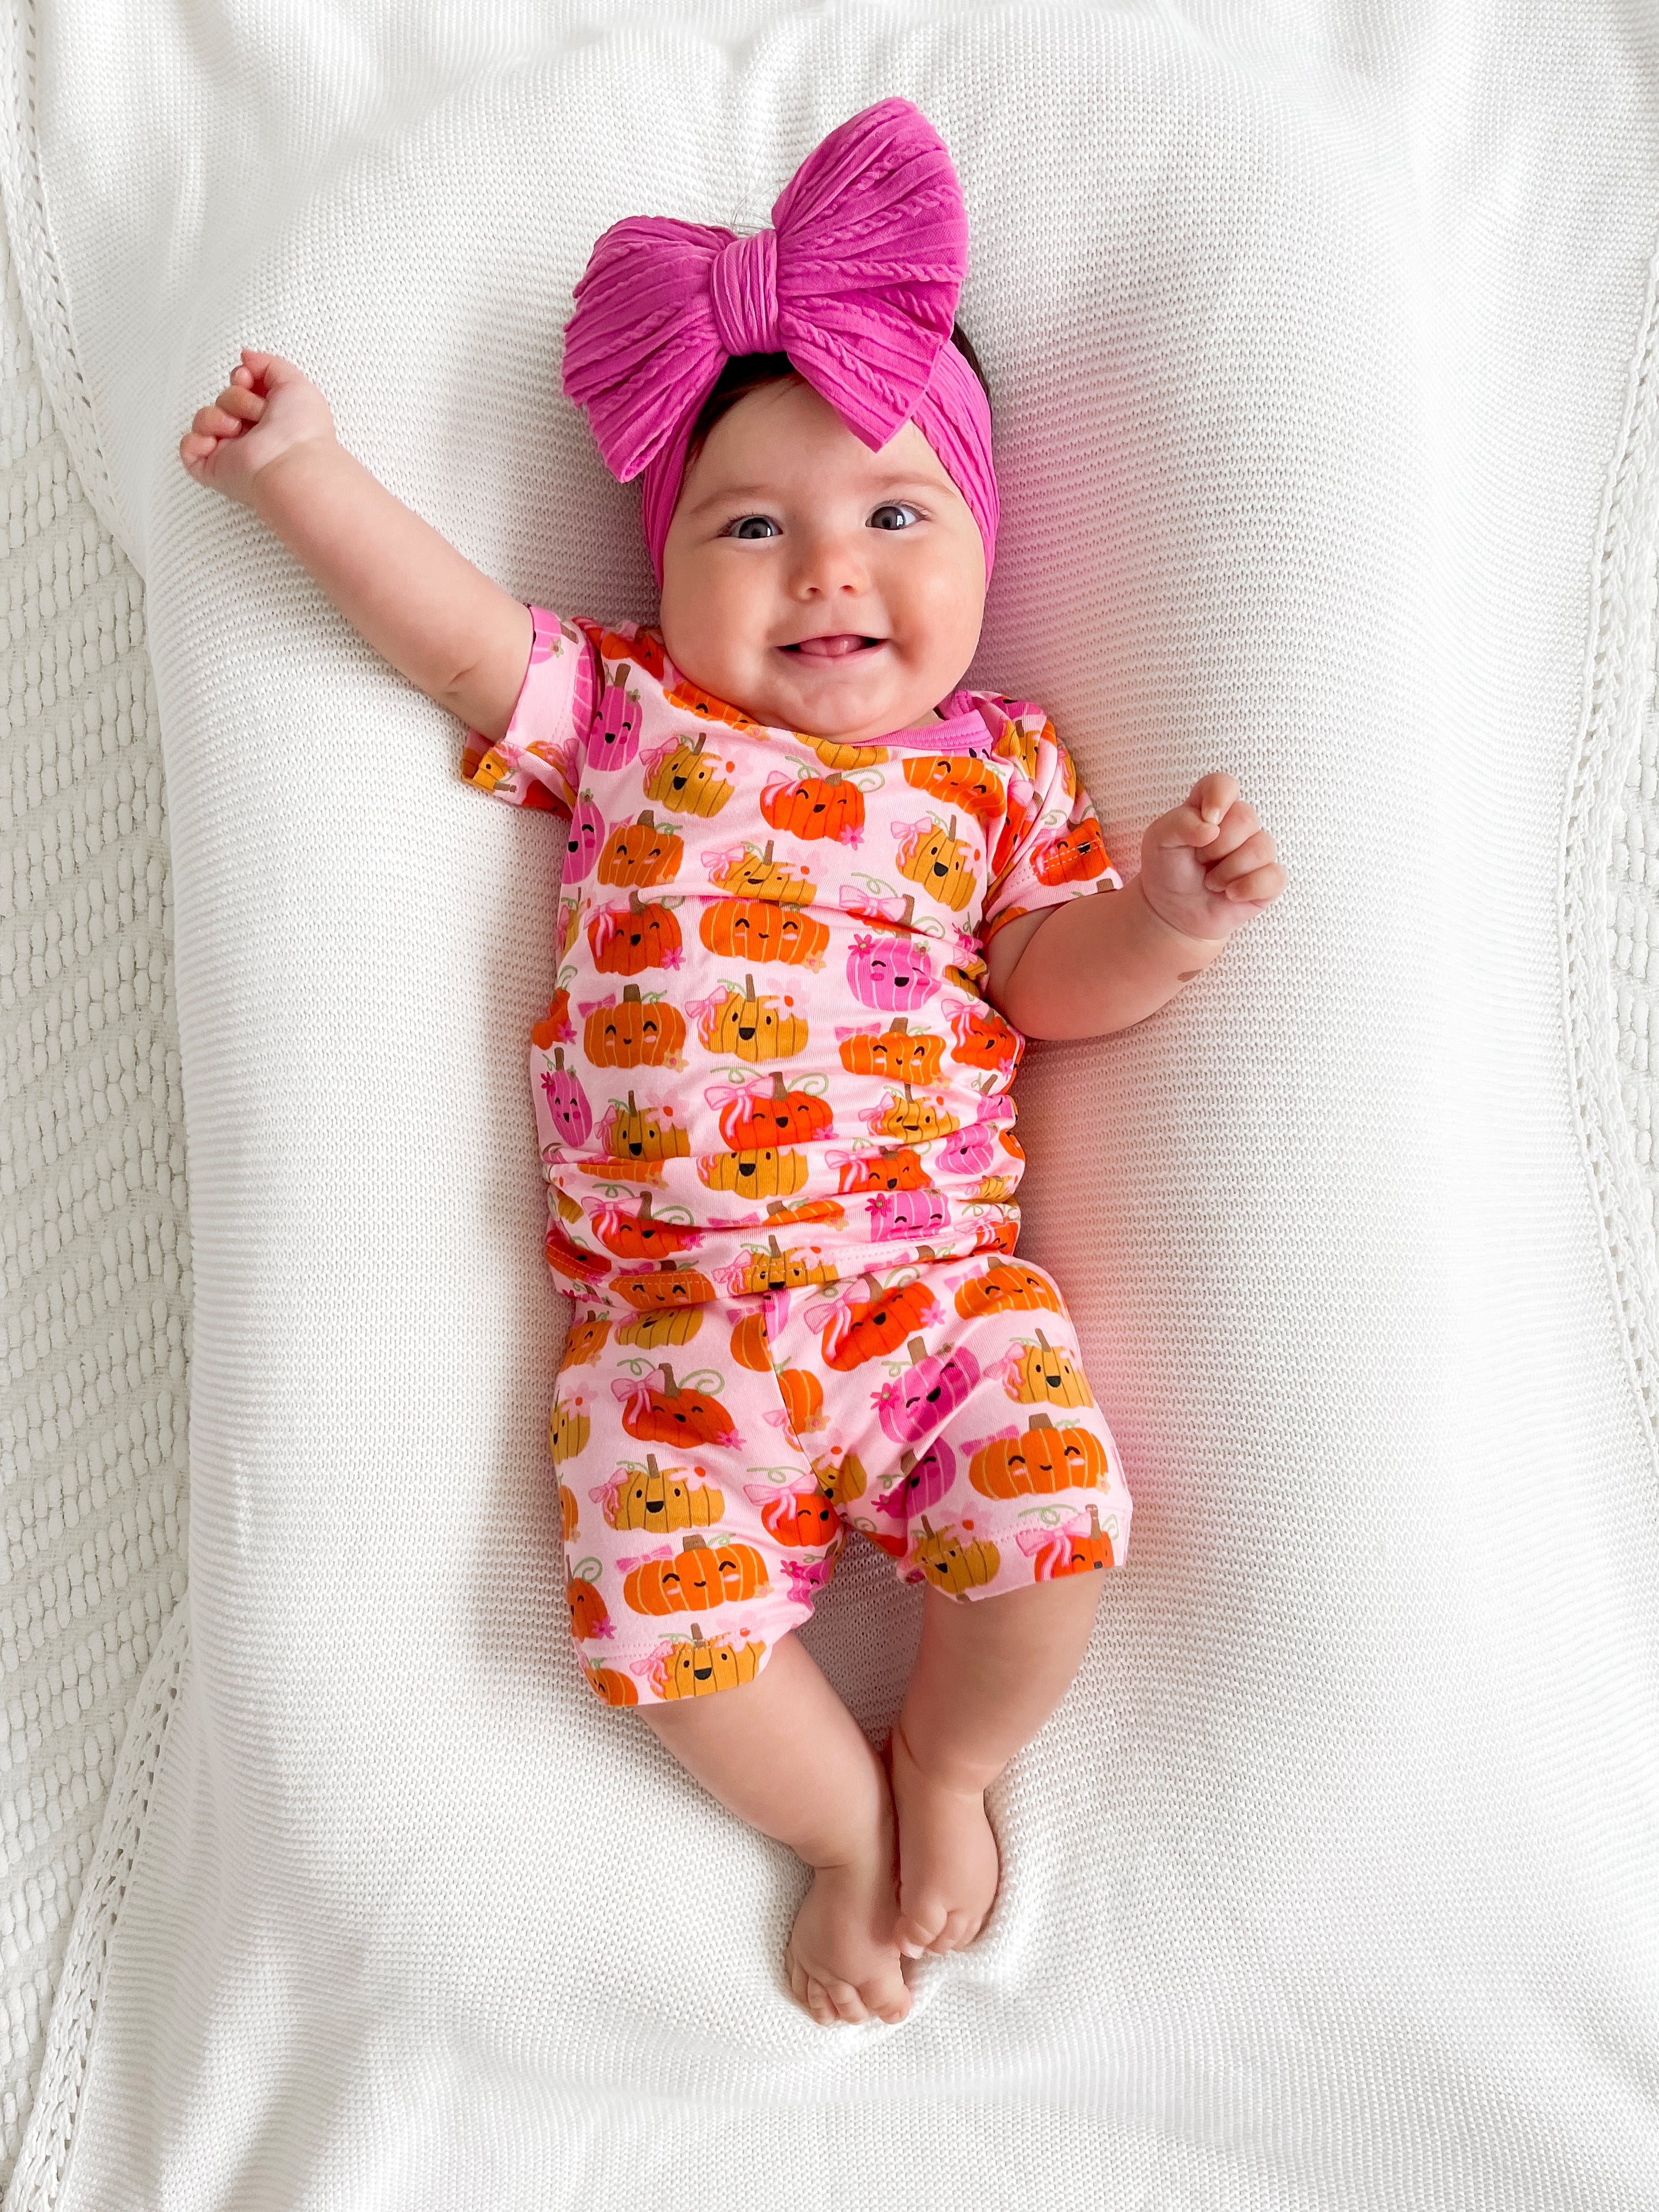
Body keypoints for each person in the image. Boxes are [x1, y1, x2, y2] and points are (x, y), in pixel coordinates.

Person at [179, 97, 1284, 2031]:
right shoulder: (626, 714)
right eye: (750, 526)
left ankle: (945, 1764)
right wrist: (307, 475)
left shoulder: (994, 770)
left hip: (929, 1300)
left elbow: (1047, 978)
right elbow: (449, 640)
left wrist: (1169, 917)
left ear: (980, 550)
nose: (823, 573)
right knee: (667, 1635)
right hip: (667, 1342)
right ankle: (849, 1835)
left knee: (1047, 1540)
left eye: (892, 516)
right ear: (668, 565)